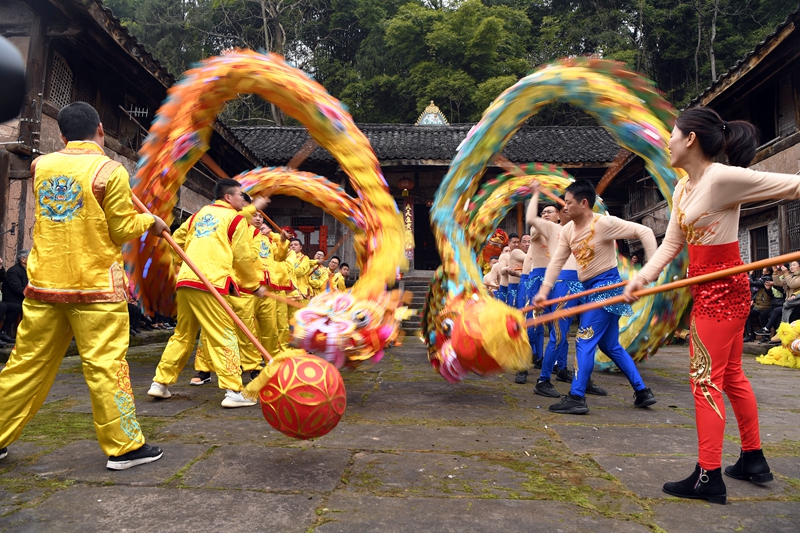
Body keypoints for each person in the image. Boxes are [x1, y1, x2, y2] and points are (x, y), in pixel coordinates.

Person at [625, 106, 800, 503]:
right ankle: (753, 459)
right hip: (706, 287)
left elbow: (793, 186)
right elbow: (672, 244)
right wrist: (640, 279)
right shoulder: (683, 186)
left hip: (724, 288)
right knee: (732, 375)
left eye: (671, 134)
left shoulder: (722, 178)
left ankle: (708, 475)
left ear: (690, 139)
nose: (667, 141)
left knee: (705, 381)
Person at [0, 101, 168, 469]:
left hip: (45, 283)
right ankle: (123, 448)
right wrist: (150, 222)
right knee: (106, 366)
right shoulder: (111, 170)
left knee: (24, 363)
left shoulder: (40, 166)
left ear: (61, 134)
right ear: (101, 130)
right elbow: (121, 229)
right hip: (94, 287)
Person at [533, 179, 658, 416]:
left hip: (607, 287)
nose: (565, 208)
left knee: (584, 339)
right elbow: (557, 262)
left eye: (568, 203)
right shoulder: (569, 230)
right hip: (590, 287)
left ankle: (577, 396)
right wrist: (543, 291)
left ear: (584, 203)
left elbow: (645, 231)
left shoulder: (604, 224)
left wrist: (649, 271)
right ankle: (642, 392)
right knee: (609, 345)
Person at [148, 178, 268, 408]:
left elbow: (176, 240)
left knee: (182, 334)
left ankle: (160, 383)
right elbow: (242, 257)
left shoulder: (198, 215)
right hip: (211, 283)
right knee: (223, 334)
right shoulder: (235, 219)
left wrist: (180, 267)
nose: (245, 200)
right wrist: (253, 285)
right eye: (242, 195)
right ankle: (234, 390)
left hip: (186, 280)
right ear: (228, 197)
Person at [528, 199, 606, 398]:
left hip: (584, 285)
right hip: (563, 284)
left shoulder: (585, 228)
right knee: (558, 335)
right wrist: (536, 193)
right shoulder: (555, 230)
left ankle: (584, 379)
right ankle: (543, 380)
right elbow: (532, 221)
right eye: (564, 208)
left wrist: (598, 205)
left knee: (586, 335)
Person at [1, 249, 28, 342]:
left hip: (23, 298)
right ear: (23, 260)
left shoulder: (29, 270)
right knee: (17, 307)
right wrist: (31, 295)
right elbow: (17, 289)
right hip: (13, 298)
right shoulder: (14, 271)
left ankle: (3, 332)